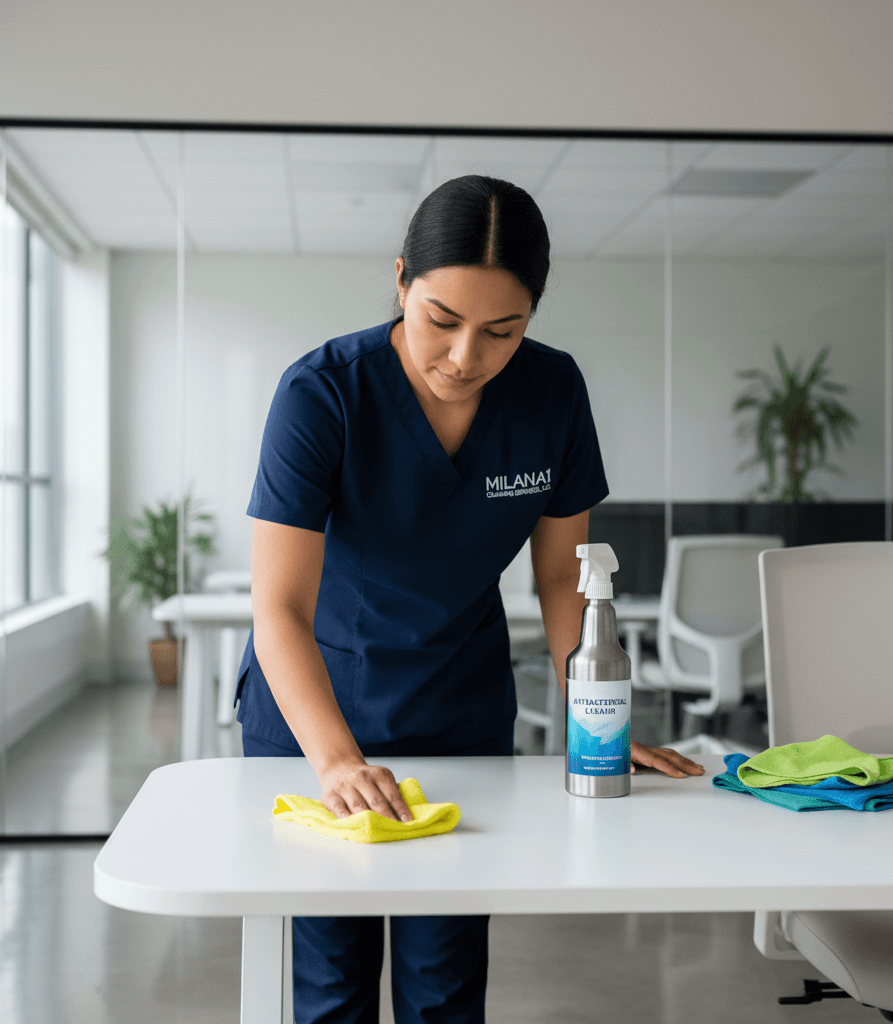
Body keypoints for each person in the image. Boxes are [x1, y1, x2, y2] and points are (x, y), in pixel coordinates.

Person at [235, 174, 704, 1024]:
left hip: (456, 704)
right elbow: (279, 610)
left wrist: (596, 716)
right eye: (440, 320)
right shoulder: (323, 393)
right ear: (402, 280)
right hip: (316, 708)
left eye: (502, 331)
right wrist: (338, 762)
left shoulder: (552, 393)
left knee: (444, 983)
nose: (463, 356)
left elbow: (563, 576)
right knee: (331, 982)